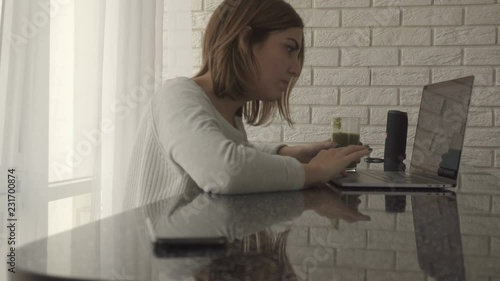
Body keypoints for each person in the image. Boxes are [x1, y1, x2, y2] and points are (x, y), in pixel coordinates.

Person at [123, 0, 370, 209]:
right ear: (245, 41)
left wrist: (291, 154)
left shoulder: (230, 116)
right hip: (154, 264)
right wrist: (314, 171)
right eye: (288, 49)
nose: (296, 68)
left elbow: (232, 150)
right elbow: (223, 169)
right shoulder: (176, 95)